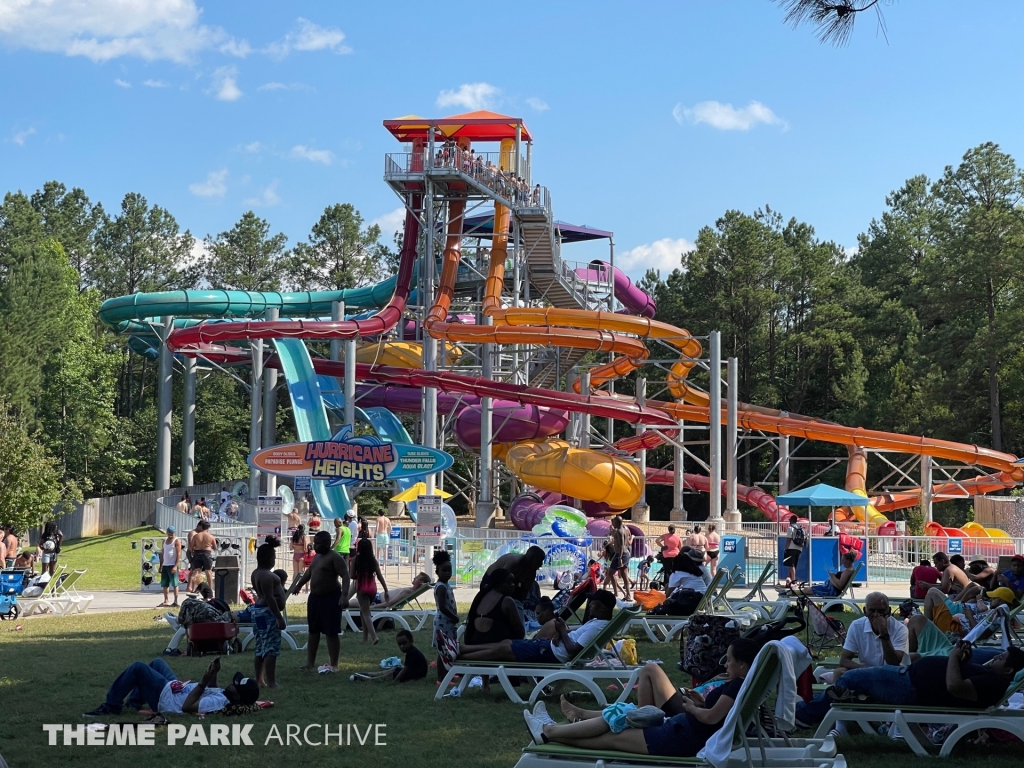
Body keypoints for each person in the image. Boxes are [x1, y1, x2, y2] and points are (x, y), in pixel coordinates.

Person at [523, 638, 760, 757]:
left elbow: (710, 718)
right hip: (679, 732)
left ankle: (548, 732)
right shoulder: (743, 684)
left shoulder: (737, 685)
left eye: (729, 660)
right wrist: (700, 702)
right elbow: (716, 715)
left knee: (610, 735)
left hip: (680, 738)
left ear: (742, 664)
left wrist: (691, 708)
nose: (726, 664)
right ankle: (550, 730)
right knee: (615, 724)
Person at [825, 643, 1024, 710]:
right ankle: (859, 698)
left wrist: (954, 657)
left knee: (849, 679)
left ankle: (806, 715)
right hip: (909, 678)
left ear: (1008, 670)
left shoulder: (994, 684)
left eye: (1002, 657)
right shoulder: (993, 677)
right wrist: (964, 660)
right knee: (852, 682)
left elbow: (955, 687)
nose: (996, 656)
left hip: (908, 685)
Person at [452, 589, 615, 665]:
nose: (590, 605)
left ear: (601, 608)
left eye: (593, 603)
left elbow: (573, 650)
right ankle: (461, 648)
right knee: (507, 643)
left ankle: (456, 658)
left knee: (504, 650)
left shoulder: (597, 627)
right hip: (551, 647)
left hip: (553, 653)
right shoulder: (597, 622)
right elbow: (574, 639)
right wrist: (561, 632)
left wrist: (562, 631)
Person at [84, 656, 260, 717]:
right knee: (158, 662)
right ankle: (134, 702)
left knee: (138, 667)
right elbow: (211, 689)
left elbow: (187, 707)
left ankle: (111, 706)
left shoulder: (219, 702)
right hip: (176, 688)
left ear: (237, 697)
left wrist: (203, 681)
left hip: (167, 699)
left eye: (236, 686)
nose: (232, 684)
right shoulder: (226, 695)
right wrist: (214, 673)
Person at [288, 530, 351, 674]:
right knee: (313, 631)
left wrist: (344, 595)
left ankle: (334, 664)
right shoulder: (317, 557)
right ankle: (310, 663)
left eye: (318, 543)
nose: (314, 546)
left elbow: (345, 576)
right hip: (315, 598)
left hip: (331, 598)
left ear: (327, 544)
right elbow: (309, 573)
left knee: (331, 632)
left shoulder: (335, 558)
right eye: (314, 542)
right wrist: (298, 585)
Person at [250, 540, 288, 689]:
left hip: (259, 613)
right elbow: (269, 597)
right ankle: (271, 682)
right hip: (267, 614)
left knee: (261, 645)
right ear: (270, 559)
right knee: (270, 647)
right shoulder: (266, 576)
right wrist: (278, 617)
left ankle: (259, 679)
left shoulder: (256, 573)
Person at [463, 568, 525, 646]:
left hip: (475, 645)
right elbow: (520, 632)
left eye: (513, 582)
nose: (513, 585)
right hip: (497, 649)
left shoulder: (481, 596)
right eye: (508, 582)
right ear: (498, 583)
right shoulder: (507, 601)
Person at [485, 545, 547, 614]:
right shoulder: (514, 562)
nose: (541, 564)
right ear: (531, 559)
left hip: (508, 581)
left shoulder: (532, 571)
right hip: (491, 579)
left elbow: (524, 591)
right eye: (540, 561)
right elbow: (500, 581)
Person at [350, 629, 428, 683]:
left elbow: (405, 670)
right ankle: (369, 674)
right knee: (394, 669)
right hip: (415, 673)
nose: (402, 646)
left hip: (417, 675)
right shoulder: (412, 651)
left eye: (404, 643)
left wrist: (395, 680)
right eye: (399, 644)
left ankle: (369, 679)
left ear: (412, 641)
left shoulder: (412, 653)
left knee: (391, 674)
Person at [352, 538, 389, 645]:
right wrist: (386, 590)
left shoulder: (356, 559)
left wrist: (359, 575)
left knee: (366, 613)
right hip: (372, 588)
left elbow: (351, 575)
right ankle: (365, 639)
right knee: (363, 611)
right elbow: (380, 576)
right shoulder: (373, 560)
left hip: (362, 588)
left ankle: (374, 637)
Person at [432, 551, 458, 683]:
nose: (447, 573)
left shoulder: (446, 585)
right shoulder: (441, 587)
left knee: (449, 650)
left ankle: (449, 673)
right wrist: (453, 617)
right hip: (443, 622)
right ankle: (440, 678)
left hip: (448, 622)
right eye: (444, 570)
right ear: (437, 571)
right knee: (443, 651)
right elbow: (442, 607)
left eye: (449, 570)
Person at [787, 551, 858, 597]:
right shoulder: (849, 570)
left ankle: (792, 592)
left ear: (848, 561)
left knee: (807, 590)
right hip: (829, 588)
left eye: (843, 560)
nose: (842, 562)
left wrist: (832, 576)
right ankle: (793, 591)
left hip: (830, 590)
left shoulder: (848, 571)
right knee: (807, 589)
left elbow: (840, 585)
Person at [188, 520, 216, 592]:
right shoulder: (210, 536)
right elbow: (215, 547)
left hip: (197, 553)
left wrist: (194, 550)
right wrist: (209, 547)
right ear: (208, 528)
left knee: (196, 572)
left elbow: (191, 547)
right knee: (208, 572)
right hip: (207, 553)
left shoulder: (196, 536)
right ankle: (210, 588)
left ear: (201, 527)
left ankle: (194, 589)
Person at [158, 526, 182, 608]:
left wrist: (175, 566)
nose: (170, 535)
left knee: (175, 583)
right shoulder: (164, 541)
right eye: (169, 534)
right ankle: (166, 600)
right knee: (165, 584)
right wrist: (160, 565)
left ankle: (175, 601)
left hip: (172, 565)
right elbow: (162, 553)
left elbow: (178, 554)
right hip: (165, 564)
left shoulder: (177, 541)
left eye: (171, 534)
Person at [609, 516, 634, 591]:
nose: (612, 524)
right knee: (624, 575)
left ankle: (617, 593)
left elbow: (621, 545)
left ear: (617, 522)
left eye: (613, 522)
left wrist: (619, 558)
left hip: (621, 554)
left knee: (611, 573)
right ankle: (627, 595)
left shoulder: (620, 531)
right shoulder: (622, 530)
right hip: (623, 553)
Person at [783, 515, 805, 586]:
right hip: (799, 549)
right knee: (793, 565)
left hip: (791, 548)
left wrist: (786, 548)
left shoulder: (791, 528)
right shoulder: (801, 528)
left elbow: (789, 539)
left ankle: (793, 581)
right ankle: (789, 580)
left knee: (791, 565)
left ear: (791, 520)